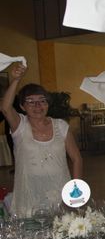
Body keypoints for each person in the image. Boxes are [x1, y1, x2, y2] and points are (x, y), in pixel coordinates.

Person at [0, 62, 83, 217]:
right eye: (31, 101)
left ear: (47, 104)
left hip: (59, 192)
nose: (37, 105)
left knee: (61, 233)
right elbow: (5, 108)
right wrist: (16, 79)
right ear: (23, 106)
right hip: (29, 193)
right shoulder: (20, 126)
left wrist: (75, 191)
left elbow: (76, 158)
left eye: (42, 100)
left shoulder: (61, 126)